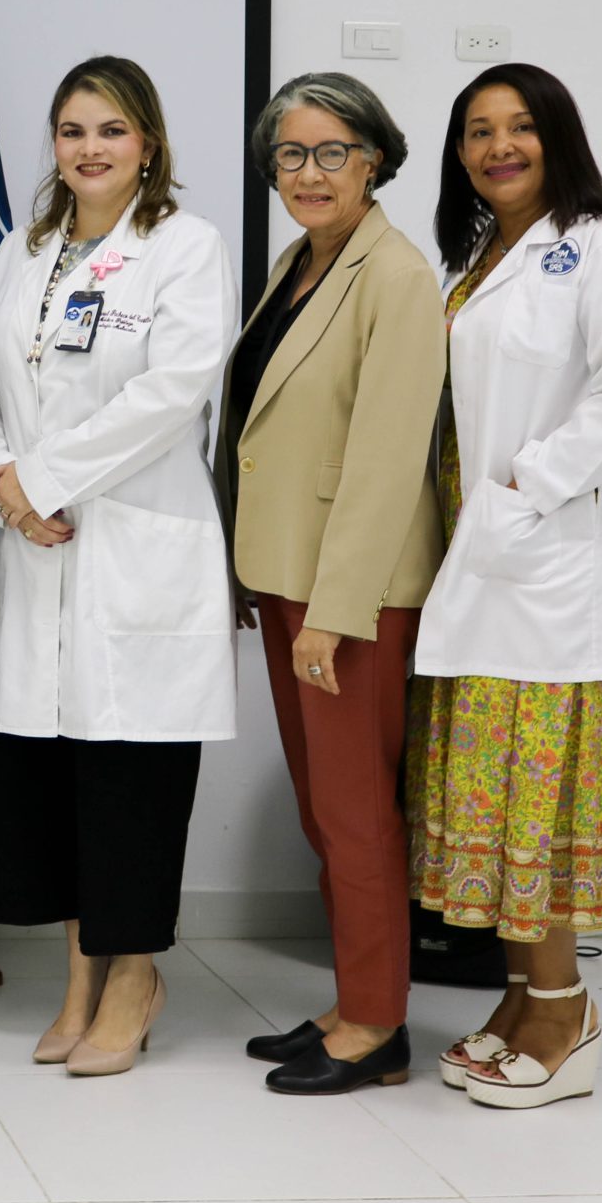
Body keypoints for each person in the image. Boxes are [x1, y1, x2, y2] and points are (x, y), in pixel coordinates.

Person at [0, 55, 238, 1076]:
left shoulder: (183, 247)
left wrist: (46, 477)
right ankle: (79, 975)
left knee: (128, 777)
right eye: (73, 129)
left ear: (148, 145)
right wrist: (3, 478)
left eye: (111, 131)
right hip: (35, 548)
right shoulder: (21, 250)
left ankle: (134, 978)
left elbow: (174, 391)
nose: (89, 148)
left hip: (131, 547)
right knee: (52, 776)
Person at [409, 64, 602, 1110]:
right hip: (485, 563)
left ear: (558, 137)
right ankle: (521, 997)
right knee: (492, 790)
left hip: (551, 564)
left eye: (518, 128)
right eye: (477, 131)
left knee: (533, 798)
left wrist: (526, 487)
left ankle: (562, 1010)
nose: (497, 147)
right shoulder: (478, 257)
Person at [217, 73, 444, 1094]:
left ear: (375, 160)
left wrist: (336, 613)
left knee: (355, 813)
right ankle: (352, 999)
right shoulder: (300, 264)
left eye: (331, 153)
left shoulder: (395, 276)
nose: (307, 174)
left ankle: (377, 1026)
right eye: (290, 156)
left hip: (348, 594)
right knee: (324, 807)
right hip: (285, 579)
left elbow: (388, 461)